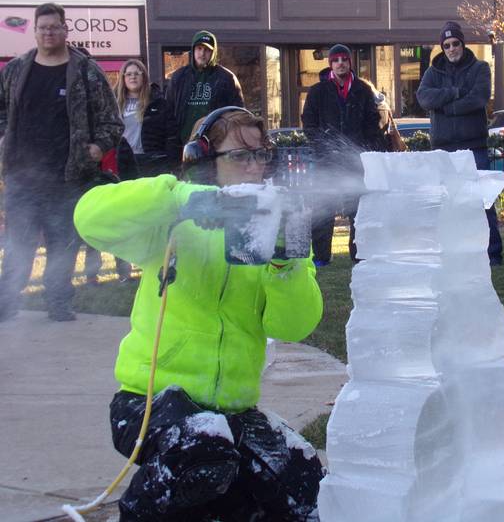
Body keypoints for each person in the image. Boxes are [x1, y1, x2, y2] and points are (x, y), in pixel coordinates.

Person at [73, 107, 325, 521]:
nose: (255, 167)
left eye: (261, 155)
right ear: (204, 159)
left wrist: (287, 264)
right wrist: (181, 200)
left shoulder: (272, 225)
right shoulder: (171, 221)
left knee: (303, 487)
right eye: (240, 156)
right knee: (203, 457)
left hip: (232, 410)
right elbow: (89, 217)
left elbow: (292, 326)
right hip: (149, 400)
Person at [0, 2, 123, 322]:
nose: (49, 33)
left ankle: (58, 303)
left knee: (63, 246)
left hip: (67, 178)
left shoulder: (85, 72)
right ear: (35, 30)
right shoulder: (16, 70)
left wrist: (99, 146)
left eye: (55, 27)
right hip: (22, 177)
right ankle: (5, 305)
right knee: (17, 246)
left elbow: (112, 120)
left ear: (65, 30)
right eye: (43, 27)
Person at [416, 21, 503, 266]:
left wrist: (445, 107)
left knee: (483, 201)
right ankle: (453, 251)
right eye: (447, 45)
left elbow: (479, 98)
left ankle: (492, 253)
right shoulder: (433, 72)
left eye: (455, 43)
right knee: (446, 204)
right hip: (443, 148)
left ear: (462, 44)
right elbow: (424, 98)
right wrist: (455, 93)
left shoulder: (480, 68)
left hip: (474, 146)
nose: (452, 48)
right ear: (442, 48)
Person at [84, 58, 173, 283]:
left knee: (147, 217)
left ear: (144, 77)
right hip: (118, 164)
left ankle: (150, 264)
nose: (133, 77)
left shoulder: (157, 103)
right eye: (128, 74)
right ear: (123, 78)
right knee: (120, 216)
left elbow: (170, 135)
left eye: (137, 73)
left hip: (149, 163)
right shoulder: (113, 104)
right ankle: (106, 272)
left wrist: (170, 162)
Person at [301, 43, 383, 266]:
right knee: (324, 208)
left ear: (350, 62)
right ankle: (321, 257)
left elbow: (372, 124)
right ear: (330, 64)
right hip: (326, 160)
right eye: (335, 60)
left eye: (343, 59)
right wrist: (325, 146)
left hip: (355, 162)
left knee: (358, 211)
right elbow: (309, 124)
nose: (340, 63)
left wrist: (364, 149)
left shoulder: (363, 90)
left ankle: (358, 254)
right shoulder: (318, 92)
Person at [164, 30, 244, 147]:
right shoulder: (178, 77)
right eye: (199, 48)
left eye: (207, 50)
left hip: (216, 145)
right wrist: (171, 140)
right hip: (182, 146)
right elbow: (168, 112)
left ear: (213, 52)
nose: (202, 53)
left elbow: (238, 114)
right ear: (193, 50)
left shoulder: (227, 78)